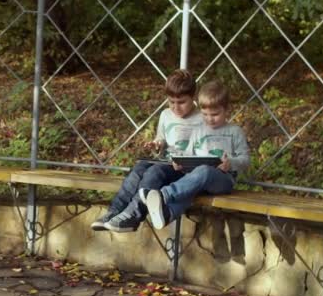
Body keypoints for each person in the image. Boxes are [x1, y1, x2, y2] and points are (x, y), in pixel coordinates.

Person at [90, 69, 203, 232]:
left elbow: (204, 152)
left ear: (193, 97)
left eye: (181, 102)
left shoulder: (201, 118)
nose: (176, 107)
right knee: (139, 168)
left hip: (184, 169)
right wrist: (157, 144)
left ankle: (133, 215)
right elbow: (162, 138)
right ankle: (114, 212)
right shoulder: (166, 115)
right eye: (171, 102)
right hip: (166, 162)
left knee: (154, 172)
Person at [142, 80, 250, 229]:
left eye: (215, 114)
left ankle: (163, 195)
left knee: (204, 171)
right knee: (192, 184)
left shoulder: (234, 131)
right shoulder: (198, 130)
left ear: (226, 110)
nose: (209, 119)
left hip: (223, 180)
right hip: (197, 178)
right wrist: (181, 163)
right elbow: (188, 154)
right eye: (205, 114)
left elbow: (245, 160)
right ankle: (168, 214)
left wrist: (230, 163)